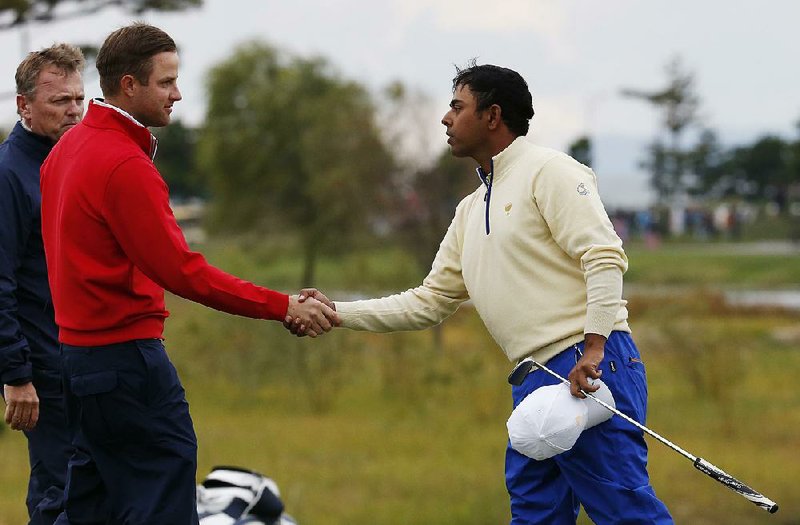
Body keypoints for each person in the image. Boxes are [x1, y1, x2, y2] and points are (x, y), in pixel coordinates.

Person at [301, 63, 673, 524]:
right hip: (535, 378)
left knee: (625, 513)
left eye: (457, 107)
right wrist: (338, 313)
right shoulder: (469, 209)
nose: (446, 119)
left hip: (588, 364)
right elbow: (430, 301)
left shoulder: (550, 170)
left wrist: (594, 348)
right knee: (535, 514)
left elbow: (603, 256)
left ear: (492, 116)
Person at [40, 23, 337, 524]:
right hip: (126, 363)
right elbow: (184, 272)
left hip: (76, 362)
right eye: (166, 82)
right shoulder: (124, 165)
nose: (178, 94)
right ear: (129, 85)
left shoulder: (65, 151)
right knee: (163, 504)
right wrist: (282, 305)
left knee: (89, 507)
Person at [0, 43, 85, 524]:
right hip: (41, 370)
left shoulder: (70, 161)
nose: (73, 111)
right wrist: (16, 375)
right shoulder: (10, 173)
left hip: (82, 360)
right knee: (59, 491)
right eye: (59, 102)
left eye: (79, 99)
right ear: (24, 105)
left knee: (92, 489)